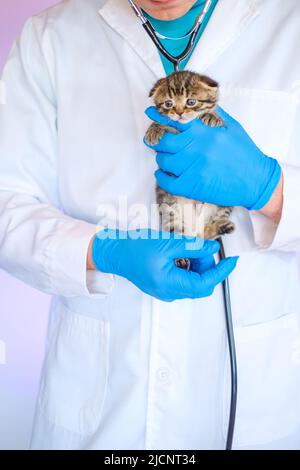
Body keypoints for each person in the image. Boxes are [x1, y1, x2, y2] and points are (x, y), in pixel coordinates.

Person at [0, 0, 300, 450]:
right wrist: (102, 252)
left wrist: (270, 189)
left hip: (259, 409)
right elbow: (6, 200)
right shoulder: (51, 36)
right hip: (101, 410)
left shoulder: (291, 23)